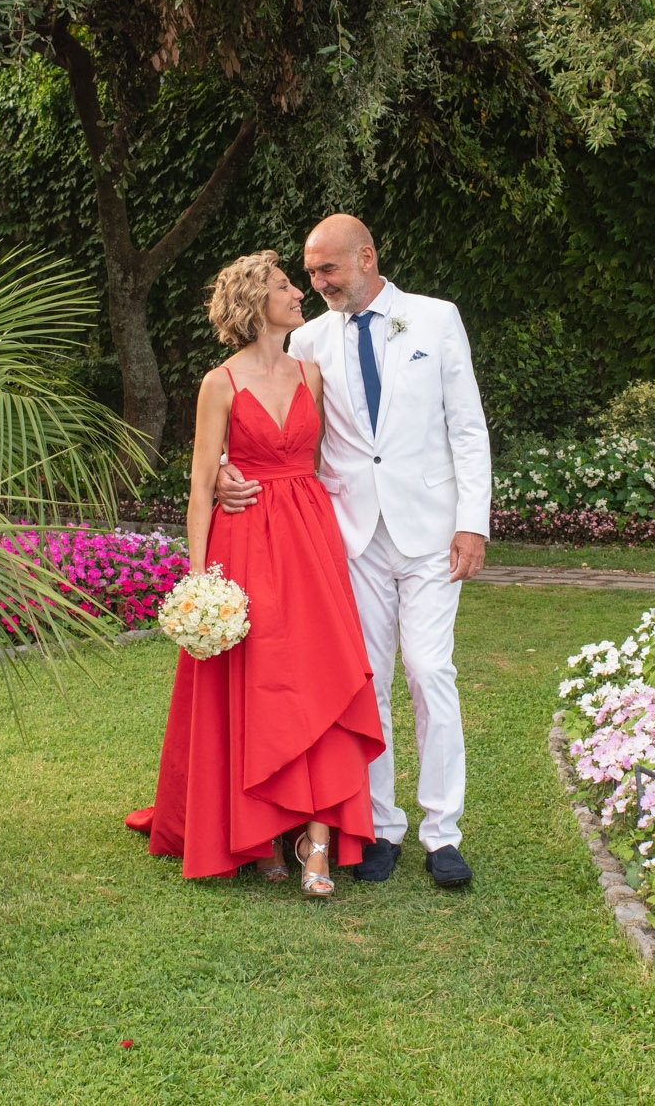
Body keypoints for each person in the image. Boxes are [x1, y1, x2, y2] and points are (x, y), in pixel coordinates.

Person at [218, 214, 489, 888]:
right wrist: (225, 464)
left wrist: (473, 521)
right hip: (350, 538)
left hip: (432, 532)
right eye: (307, 274)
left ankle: (443, 831)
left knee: (429, 670)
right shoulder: (307, 339)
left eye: (326, 270)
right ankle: (380, 826)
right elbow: (261, 403)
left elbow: (467, 425)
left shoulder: (435, 319)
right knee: (365, 680)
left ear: (365, 258)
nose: (315, 284)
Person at [126, 251, 384, 896]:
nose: (297, 292)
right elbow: (198, 484)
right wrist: (198, 579)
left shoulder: (312, 374)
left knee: (320, 674)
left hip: (309, 539)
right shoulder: (220, 382)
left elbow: (334, 458)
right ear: (253, 302)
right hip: (244, 543)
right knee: (259, 679)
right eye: (282, 285)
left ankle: (316, 836)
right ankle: (263, 829)